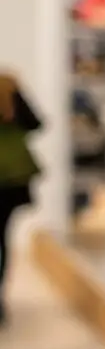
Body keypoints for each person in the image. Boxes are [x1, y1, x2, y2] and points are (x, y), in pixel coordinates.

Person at [0, 72, 43, 326]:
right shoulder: (10, 91)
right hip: (11, 180)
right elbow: (35, 124)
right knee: (3, 238)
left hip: (9, 181)